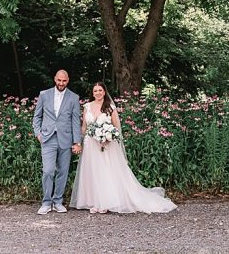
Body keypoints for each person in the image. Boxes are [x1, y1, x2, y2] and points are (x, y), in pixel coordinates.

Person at [70, 82, 177, 214]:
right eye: (95, 91)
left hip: (106, 145)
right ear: (93, 93)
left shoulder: (110, 107)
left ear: (104, 92)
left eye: (100, 90)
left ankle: (105, 202)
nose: (97, 93)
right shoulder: (87, 107)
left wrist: (108, 138)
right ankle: (94, 201)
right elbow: (84, 127)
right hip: (90, 144)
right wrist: (79, 142)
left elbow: (117, 128)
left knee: (105, 173)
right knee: (92, 173)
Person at [32, 69, 82, 214]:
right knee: (48, 171)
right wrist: (38, 134)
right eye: (59, 80)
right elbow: (37, 117)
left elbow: (75, 121)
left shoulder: (73, 97)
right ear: (55, 79)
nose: (61, 83)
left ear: (68, 80)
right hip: (47, 138)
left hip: (65, 139)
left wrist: (77, 141)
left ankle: (58, 201)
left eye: (64, 81)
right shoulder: (44, 95)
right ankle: (46, 202)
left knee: (63, 171)